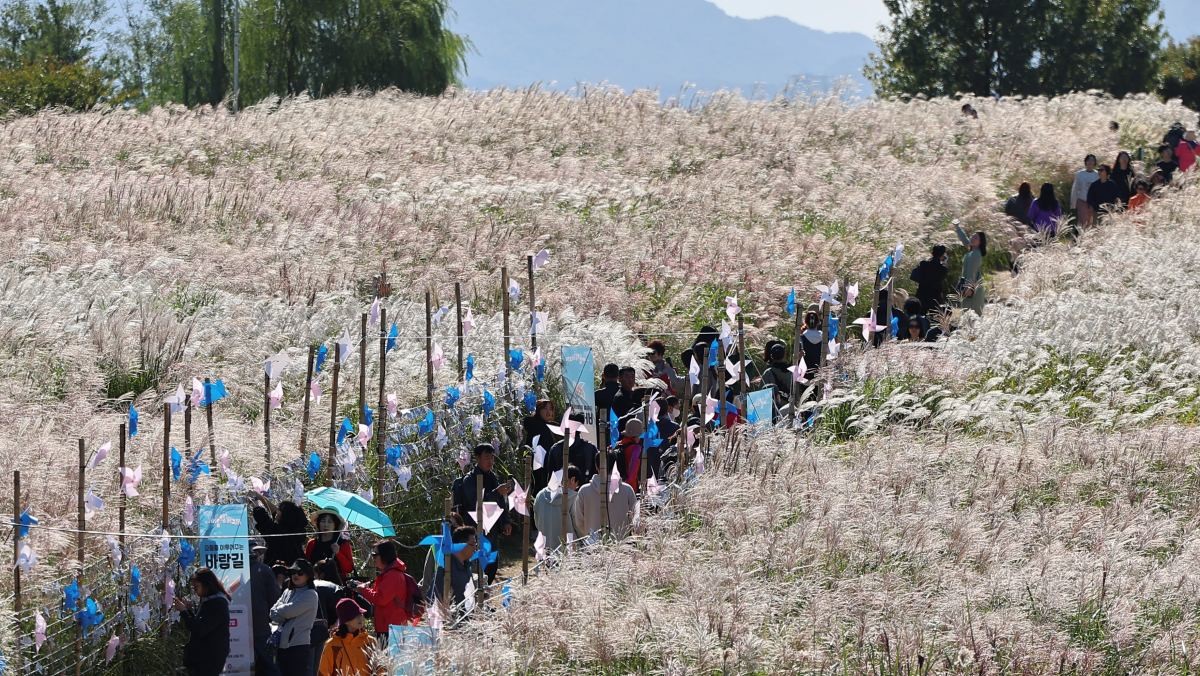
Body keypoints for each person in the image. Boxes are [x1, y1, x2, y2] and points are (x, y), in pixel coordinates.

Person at [452, 444, 512, 584]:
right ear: (477, 458)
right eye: (486, 458)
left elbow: (500, 502)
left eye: (492, 458)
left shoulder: (493, 477)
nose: (490, 461)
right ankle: (479, 599)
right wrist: (496, 492)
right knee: (478, 566)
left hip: (492, 529)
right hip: (476, 528)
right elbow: (475, 503)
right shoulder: (469, 480)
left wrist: (506, 521)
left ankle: (485, 596)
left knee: (492, 565)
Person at [353, 540, 415, 642]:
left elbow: (381, 599)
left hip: (391, 627)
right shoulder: (390, 573)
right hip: (390, 625)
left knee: (389, 657)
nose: (373, 558)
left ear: (384, 556)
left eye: (375, 555)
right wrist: (365, 587)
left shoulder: (392, 575)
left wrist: (363, 589)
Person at [175, 568, 231, 676]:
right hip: (206, 656)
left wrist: (184, 611)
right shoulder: (210, 600)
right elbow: (200, 624)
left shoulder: (217, 603)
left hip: (210, 658)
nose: (195, 590)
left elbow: (200, 629)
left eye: (196, 587)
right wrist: (188, 611)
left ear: (206, 584)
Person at [573, 449, 636, 541]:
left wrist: (590, 535)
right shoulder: (627, 490)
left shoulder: (584, 491)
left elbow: (579, 522)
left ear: (596, 465)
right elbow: (634, 519)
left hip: (593, 544)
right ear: (615, 465)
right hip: (622, 545)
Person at [271, 558, 320, 676]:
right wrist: (283, 611)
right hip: (281, 646)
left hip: (298, 647)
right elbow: (272, 614)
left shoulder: (310, 594)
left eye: (300, 572)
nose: (295, 575)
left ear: (308, 575)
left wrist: (282, 611)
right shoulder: (287, 591)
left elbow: (288, 612)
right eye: (292, 572)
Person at [318, 598, 379, 676]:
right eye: (356, 616)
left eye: (361, 614)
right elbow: (323, 673)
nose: (361, 618)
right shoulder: (332, 645)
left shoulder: (371, 641)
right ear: (345, 620)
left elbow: (380, 668)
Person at [541, 413, 598, 492]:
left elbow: (550, 480)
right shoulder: (590, 448)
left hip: (561, 496)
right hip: (585, 497)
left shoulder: (555, 449)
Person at [250, 543, 282, 676]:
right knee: (269, 665)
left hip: (234, 625)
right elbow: (275, 600)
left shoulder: (229, 568)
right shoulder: (264, 570)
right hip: (260, 624)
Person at [532, 465, 581, 551]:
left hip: (545, 547)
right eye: (576, 486)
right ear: (573, 480)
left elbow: (537, 521)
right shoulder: (574, 497)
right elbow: (578, 525)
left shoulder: (540, 495)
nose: (575, 489)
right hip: (567, 548)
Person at [251, 496, 308, 566]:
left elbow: (262, 519)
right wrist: (260, 497)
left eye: (280, 510)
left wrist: (255, 501)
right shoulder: (295, 529)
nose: (277, 511)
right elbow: (274, 511)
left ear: (286, 515)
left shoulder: (279, 533)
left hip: (280, 570)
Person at [430, 526, 477, 608]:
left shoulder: (467, 565)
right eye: (473, 544)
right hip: (452, 618)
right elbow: (433, 598)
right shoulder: (446, 567)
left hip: (468, 617)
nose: (475, 548)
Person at [310, 559, 342, 675]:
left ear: (320, 574)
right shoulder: (338, 588)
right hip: (335, 634)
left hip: (315, 633)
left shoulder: (313, 587)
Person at [305, 508, 354, 579]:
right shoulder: (312, 543)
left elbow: (349, 569)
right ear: (318, 523)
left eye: (330, 521)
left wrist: (338, 553)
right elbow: (306, 566)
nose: (326, 525)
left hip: (337, 585)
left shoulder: (343, 544)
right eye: (323, 521)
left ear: (335, 525)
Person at [954, 220, 987, 317]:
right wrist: (957, 228)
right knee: (969, 315)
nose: (972, 238)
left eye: (976, 238)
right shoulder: (973, 250)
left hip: (971, 287)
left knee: (972, 315)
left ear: (980, 242)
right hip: (970, 285)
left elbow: (972, 272)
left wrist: (968, 288)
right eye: (972, 236)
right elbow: (965, 240)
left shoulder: (975, 254)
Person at [909, 245, 949, 313]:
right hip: (935, 298)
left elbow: (913, 276)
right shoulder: (943, 269)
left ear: (932, 253)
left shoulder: (924, 264)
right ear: (942, 255)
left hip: (922, 295)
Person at [759, 340, 793, 417]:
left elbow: (761, 394)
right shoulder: (791, 372)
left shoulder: (768, 372)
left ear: (771, 356)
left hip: (773, 411)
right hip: (788, 410)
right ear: (784, 355)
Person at [611, 418, 645, 492]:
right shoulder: (636, 449)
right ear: (637, 435)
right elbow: (633, 473)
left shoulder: (616, 445)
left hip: (613, 487)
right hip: (629, 489)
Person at [1069, 154, 1099, 228]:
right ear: (1085, 162)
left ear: (1094, 162)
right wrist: (1073, 203)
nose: (1090, 162)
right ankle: (1083, 237)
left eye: (1092, 160)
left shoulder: (1097, 174)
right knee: (1083, 222)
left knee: (1091, 222)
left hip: (1093, 202)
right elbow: (1075, 188)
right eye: (1089, 160)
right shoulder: (1080, 174)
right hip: (1082, 200)